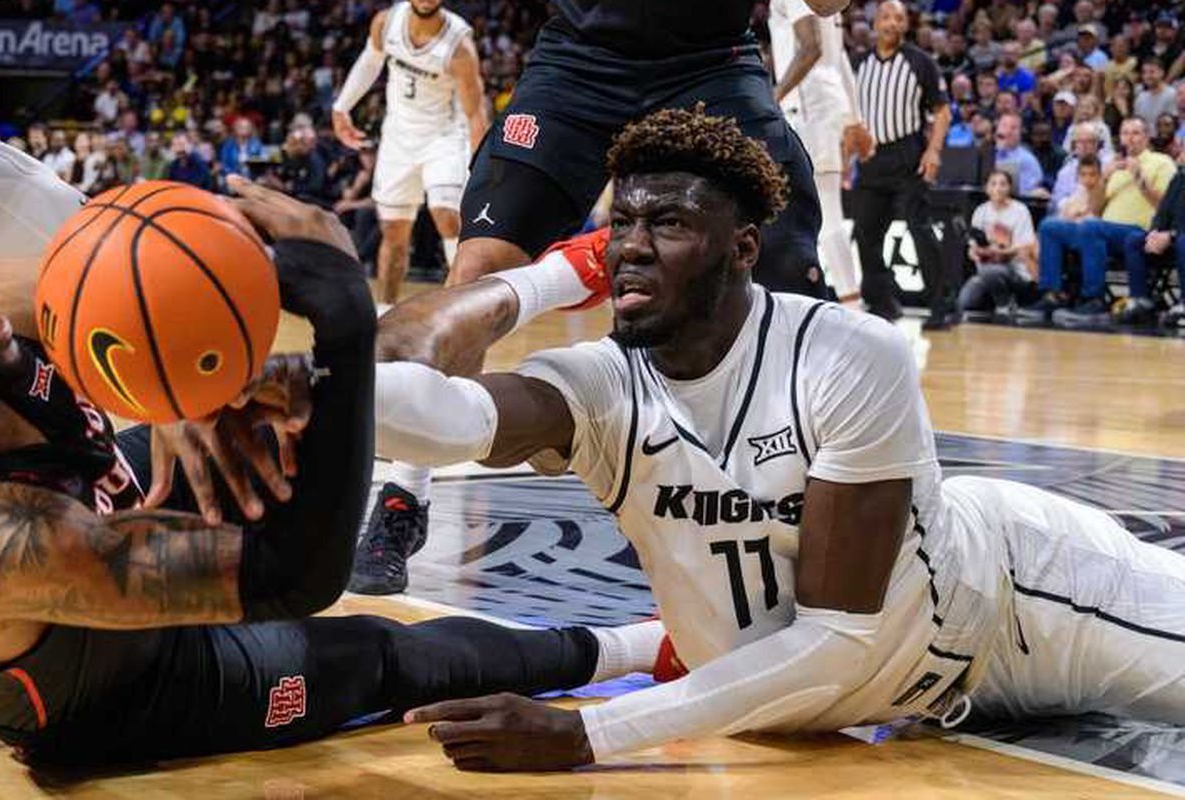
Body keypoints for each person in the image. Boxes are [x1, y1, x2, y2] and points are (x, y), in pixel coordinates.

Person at [363, 108, 1185, 772]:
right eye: (622, 226)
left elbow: (836, 644)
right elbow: (431, 406)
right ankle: (632, 646)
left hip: (1025, 604)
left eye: (670, 224)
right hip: (902, 689)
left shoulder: (850, 355)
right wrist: (311, 391)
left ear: (743, 248)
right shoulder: (601, 382)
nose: (634, 247)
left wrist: (589, 738)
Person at [0, 135, 636, 765]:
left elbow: (131, 263)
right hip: (130, 687)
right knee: (379, 656)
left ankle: (560, 274)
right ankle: (640, 647)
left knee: (318, 399)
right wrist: (343, 312)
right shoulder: (7, 547)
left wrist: (182, 380)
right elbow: (296, 576)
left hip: (110, 497)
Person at [354, 0, 846, 599]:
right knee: (479, 264)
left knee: (787, 259)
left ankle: (800, 502)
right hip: (577, 65)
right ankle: (407, 497)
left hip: (710, 63)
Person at [331, 0, 488, 306]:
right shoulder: (386, 22)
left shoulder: (459, 46)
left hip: (444, 136)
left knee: (448, 217)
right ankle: (384, 312)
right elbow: (370, 61)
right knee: (393, 232)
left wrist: (478, 169)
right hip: (399, 138)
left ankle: (456, 311)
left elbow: (475, 114)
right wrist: (341, 108)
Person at [851, 0, 952, 328]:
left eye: (898, 17)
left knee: (919, 228)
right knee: (865, 232)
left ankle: (943, 304)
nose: (891, 22)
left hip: (908, 155)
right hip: (870, 157)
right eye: (885, 17)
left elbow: (942, 112)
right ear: (875, 23)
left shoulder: (920, 62)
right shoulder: (857, 63)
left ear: (905, 25)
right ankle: (882, 302)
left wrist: (933, 151)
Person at [1021, 118, 1175, 327]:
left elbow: (1168, 205)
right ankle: (1053, 294)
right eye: (1125, 133)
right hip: (1099, 231)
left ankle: (1094, 299)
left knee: (1091, 227)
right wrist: (1103, 178)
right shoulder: (1114, 166)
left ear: (1146, 137)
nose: (1129, 138)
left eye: (1136, 133)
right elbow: (1095, 208)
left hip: (1137, 232)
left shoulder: (1161, 162)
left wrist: (1140, 179)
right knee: (1050, 227)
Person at [769, 0, 862, 300]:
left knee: (826, 217)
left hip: (809, 108)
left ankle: (850, 304)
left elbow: (811, 47)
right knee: (815, 214)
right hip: (828, 105)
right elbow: (841, 59)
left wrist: (774, 97)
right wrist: (854, 120)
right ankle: (826, 298)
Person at [957, 170, 1038, 319]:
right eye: (993, 184)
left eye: (1003, 184)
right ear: (987, 188)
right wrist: (975, 252)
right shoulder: (980, 211)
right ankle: (996, 297)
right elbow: (973, 247)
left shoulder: (1020, 210)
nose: (998, 188)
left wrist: (1001, 252)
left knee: (991, 271)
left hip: (1014, 270)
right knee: (964, 302)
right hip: (985, 269)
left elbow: (1025, 245)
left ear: (1010, 188)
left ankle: (1005, 304)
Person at [1114, 161, 1185, 325]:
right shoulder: (1179, 176)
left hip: (1178, 238)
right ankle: (1140, 300)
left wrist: (1171, 236)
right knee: (1134, 240)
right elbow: (1162, 211)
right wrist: (1154, 232)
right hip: (1171, 238)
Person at [992, 112, 1043, 196]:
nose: (1007, 131)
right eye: (1004, 126)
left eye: (1013, 128)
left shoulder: (1027, 160)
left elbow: (1026, 194)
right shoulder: (987, 153)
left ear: (1020, 134)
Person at [1135, 57, 1177, 129]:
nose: (1147, 76)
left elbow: (1173, 122)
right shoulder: (1140, 97)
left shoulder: (1172, 94)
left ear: (1162, 73)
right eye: (1145, 72)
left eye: (1152, 72)